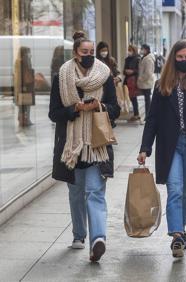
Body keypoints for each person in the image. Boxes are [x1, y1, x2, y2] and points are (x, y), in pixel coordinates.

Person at [137, 39, 186, 258]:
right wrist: (145, 147)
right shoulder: (162, 84)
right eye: (180, 57)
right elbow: (152, 119)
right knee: (174, 189)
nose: (183, 61)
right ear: (173, 58)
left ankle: (181, 227)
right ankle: (177, 235)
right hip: (170, 144)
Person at [48, 31, 120, 262]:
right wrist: (75, 109)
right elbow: (54, 113)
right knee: (76, 192)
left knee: (95, 192)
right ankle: (79, 235)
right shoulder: (62, 76)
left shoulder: (104, 73)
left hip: (97, 144)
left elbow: (116, 108)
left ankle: (98, 239)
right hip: (72, 146)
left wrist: (100, 106)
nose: (89, 56)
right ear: (75, 54)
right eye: (84, 52)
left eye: (92, 52)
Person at [14, 46, 35, 127]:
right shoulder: (24, 61)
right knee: (26, 104)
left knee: (22, 104)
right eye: (28, 52)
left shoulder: (18, 61)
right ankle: (25, 119)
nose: (29, 54)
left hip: (21, 86)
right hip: (26, 86)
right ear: (24, 53)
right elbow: (27, 72)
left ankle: (22, 119)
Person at [137, 44, 156, 119]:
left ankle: (148, 115)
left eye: (142, 49)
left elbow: (148, 73)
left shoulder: (148, 59)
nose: (141, 50)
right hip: (145, 82)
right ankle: (148, 115)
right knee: (147, 99)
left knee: (147, 99)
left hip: (146, 82)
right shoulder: (144, 58)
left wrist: (141, 79)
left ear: (147, 49)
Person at [123, 45, 140, 120]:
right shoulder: (127, 59)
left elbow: (139, 70)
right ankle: (134, 112)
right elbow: (124, 70)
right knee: (128, 96)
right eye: (128, 50)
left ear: (134, 50)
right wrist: (126, 71)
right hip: (127, 79)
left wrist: (132, 71)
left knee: (133, 97)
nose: (129, 51)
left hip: (133, 80)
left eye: (130, 50)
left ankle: (136, 114)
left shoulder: (137, 59)